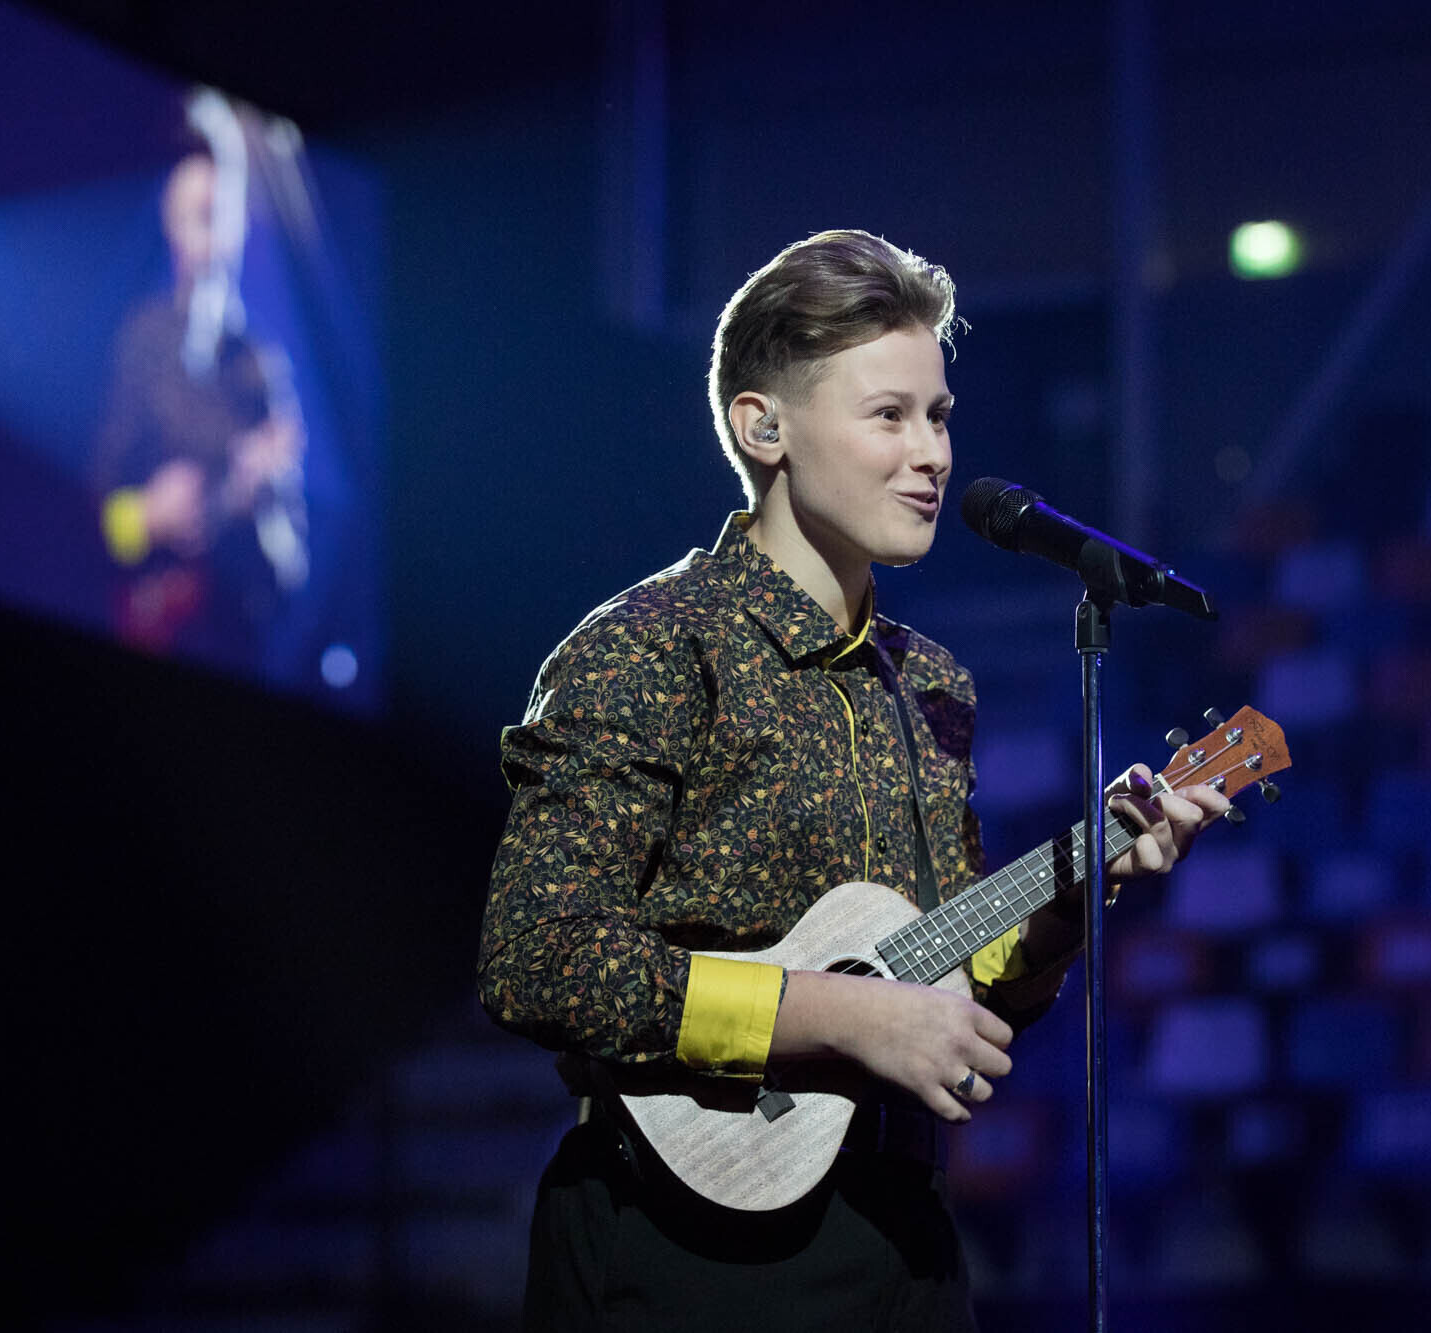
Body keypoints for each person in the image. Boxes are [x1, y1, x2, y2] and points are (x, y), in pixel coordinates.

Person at [477, 229, 1228, 1331]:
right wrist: (837, 1016)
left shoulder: (931, 682)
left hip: (900, 1232)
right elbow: (538, 958)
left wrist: (1074, 901)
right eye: (888, 415)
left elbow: (949, 975)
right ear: (763, 426)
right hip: (683, 1246)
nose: (931, 454)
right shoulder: (651, 645)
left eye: (938, 415)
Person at [93, 144, 307, 671]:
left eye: (225, 216)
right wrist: (146, 517)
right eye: (201, 217)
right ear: (173, 230)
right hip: (151, 622)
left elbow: (290, 563)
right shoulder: (141, 338)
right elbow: (89, 512)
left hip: (237, 640)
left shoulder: (263, 362)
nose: (215, 238)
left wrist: (257, 492)